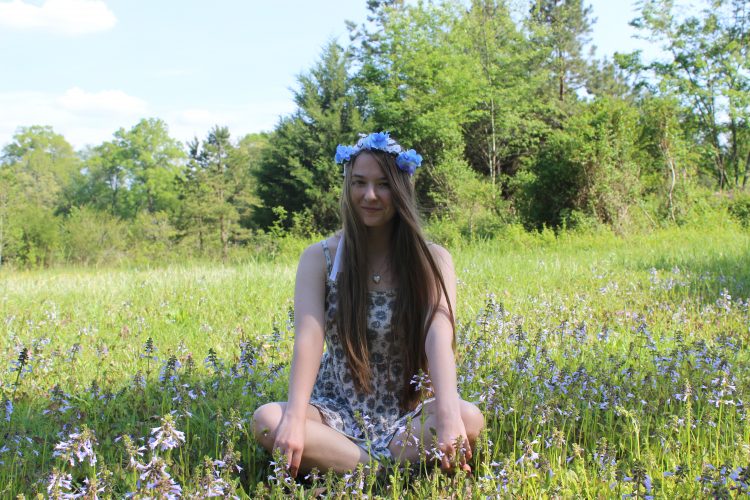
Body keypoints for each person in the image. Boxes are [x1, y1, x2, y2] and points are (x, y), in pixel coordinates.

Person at [252, 132, 484, 478]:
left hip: (409, 408)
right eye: (359, 183)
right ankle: (385, 471)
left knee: (470, 417)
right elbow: (309, 338)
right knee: (268, 420)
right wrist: (295, 418)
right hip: (336, 408)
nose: (370, 195)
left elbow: (439, 334)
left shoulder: (433, 258)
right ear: (348, 187)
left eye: (383, 185)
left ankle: (354, 468)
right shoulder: (321, 258)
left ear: (401, 190)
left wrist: (448, 413)